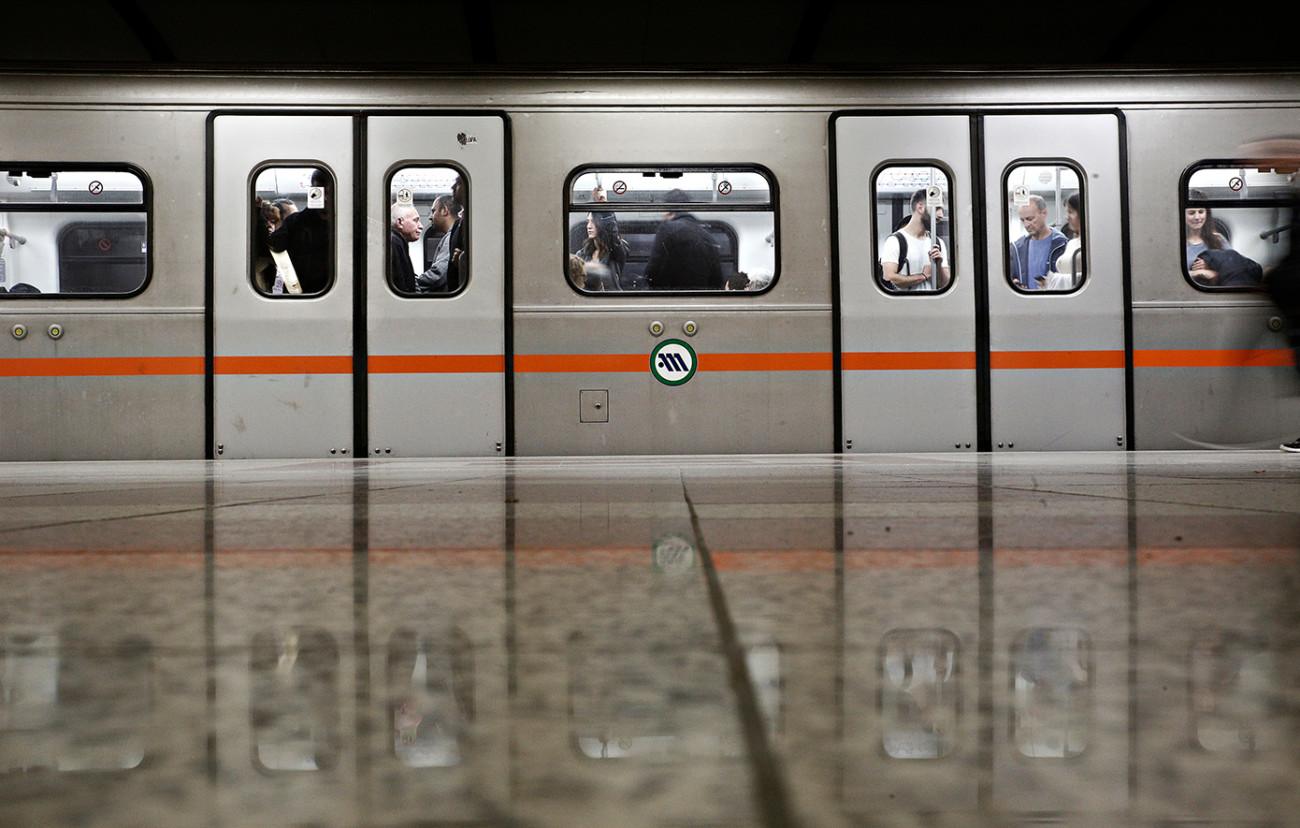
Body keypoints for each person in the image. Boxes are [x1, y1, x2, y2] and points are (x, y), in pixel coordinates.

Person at [644, 188, 723, 290]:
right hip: (700, 297)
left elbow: (652, 273)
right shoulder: (707, 236)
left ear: (668, 210)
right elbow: (717, 279)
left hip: (673, 296)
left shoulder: (667, 229)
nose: (662, 214)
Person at [267, 170, 331, 295]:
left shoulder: (345, 224)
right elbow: (273, 245)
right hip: (300, 294)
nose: (325, 198)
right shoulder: (296, 222)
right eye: (320, 192)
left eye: (329, 193)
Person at [879, 188, 950, 291]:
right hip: (906, 301)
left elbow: (945, 284)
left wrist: (938, 265)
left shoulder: (938, 243)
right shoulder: (895, 241)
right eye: (937, 208)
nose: (941, 215)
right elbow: (889, 277)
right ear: (920, 207)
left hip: (932, 301)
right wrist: (923, 276)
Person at [1010, 194, 1068, 291]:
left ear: (1044, 213)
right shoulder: (1016, 249)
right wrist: (1014, 284)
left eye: (1030, 219)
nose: (1026, 225)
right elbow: (1011, 277)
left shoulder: (1062, 244)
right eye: (1022, 220)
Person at [576, 210, 627, 291]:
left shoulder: (614, 252)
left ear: (602, 224)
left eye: (593, 222)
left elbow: (614, 236)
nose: (589, 226)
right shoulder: (582, 254)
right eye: (588, 222)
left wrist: (605, 207)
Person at [416, 194, 457, 292]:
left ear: (444, 210)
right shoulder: (452, 236)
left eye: (433, 211)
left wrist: (414, 283)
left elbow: (439, 274)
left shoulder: (450, 238)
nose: (430, 217)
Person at [1050, 193, 1085, 288]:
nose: (1067, 217)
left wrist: (1055, 280)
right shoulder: (1071, 243)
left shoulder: (1092, 245)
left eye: (1071, 212)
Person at [389, 203, 423, 294]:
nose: (421, 226)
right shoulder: (394, 243)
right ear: (400, 222)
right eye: (415, 220)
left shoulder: (397, 241)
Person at [444, 174, 468, 293]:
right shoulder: (458, 223)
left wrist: (463, 261)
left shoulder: (475, 221)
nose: (453, 187)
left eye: (458, 183)